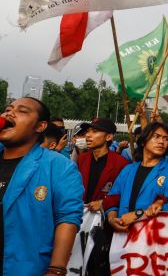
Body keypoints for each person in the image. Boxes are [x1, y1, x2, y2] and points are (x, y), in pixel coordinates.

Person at [0, 97, 84, 275]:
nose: (9, 113)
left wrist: (56, 269)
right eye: (7, 109)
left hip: (24, 268)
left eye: (22, 111)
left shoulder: (59, 166)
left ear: (40, 126)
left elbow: (67, 218)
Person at [106, 122, 168, 232]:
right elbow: (113, 198)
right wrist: (112, 219)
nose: (161, 142)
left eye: (166, 139)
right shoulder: (128, 170)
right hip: (121, 236)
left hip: (152, 236)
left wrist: (138, 214)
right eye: (156, 136)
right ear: (144, 141)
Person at [76, 118, 130, 212]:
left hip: (107, 219)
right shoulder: (82, 159)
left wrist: (103, 203)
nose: (88, 135)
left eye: (94, 131)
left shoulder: (121, 164)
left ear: (108, 137)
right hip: (81, 216)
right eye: (87, 132)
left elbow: (126, 194)